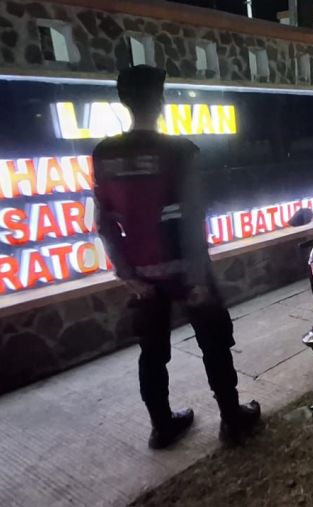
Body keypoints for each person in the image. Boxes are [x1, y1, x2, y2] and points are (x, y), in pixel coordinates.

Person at [93, 65, 261, 449]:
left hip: (142, 276)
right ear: (160, 100)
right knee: (214, 344)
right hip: (187, 270)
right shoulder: (180, 151)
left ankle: (162, 427)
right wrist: (198, 278)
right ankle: (232, 419)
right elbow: (192, 215)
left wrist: (127, 274)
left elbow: (104, 221)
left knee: (152, 353)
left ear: (123, 101)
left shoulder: (104, 154)